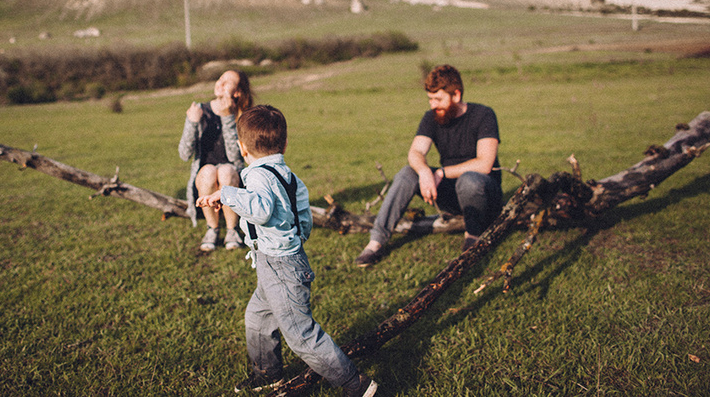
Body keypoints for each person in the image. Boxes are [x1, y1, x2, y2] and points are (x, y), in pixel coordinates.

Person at [197, 105, 378, 397]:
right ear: (285, 143)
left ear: (242, 148)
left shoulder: (255, 176)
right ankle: (267, 374)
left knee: (301, 333)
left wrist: (227, 194)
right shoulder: (288, 174)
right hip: (280, 261)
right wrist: (295, 237)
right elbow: (303, 214)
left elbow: (261, 209)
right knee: (258, 318)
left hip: (280, 266)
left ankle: (355, 384)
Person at [355, 64, 502, 268]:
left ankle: (473, 237)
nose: (433, 105)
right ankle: (376, 242)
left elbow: (485, 164)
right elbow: (415, 152)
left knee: (469, 179)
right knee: (408, 173)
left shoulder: (483, 115)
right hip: (452, 193)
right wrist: (424, 172)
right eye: (430, 99)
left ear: (456, 95)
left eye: (438, 99)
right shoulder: (432, 117)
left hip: (484, 193)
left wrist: (441, 172)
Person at [179, 69, 253, 251]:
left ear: (237, 92)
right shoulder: (199, 110)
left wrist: (228, 117)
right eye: (220, 79)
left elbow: (236, 157)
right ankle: (212, 228)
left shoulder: (241, 115)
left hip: (232, 178)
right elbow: (184, 154)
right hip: (205, 180)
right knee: (209, 171)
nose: (220, 83)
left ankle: (232, 230)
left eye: (227, 82)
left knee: (226, 171)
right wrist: (192, 123)